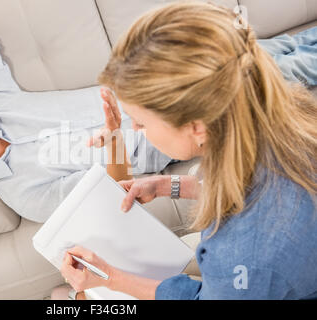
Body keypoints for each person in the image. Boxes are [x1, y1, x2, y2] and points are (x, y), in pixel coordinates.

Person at [59, 2, 317, 300]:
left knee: (72, 301)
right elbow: (251, 190)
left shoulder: (242, 254)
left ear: (198, 127)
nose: (136, 131)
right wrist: (168, 184)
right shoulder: (279, 117)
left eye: (141, 122)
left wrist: (112, 279)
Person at [0, 8, 171, 223]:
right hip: (162, 137)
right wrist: (114, 137)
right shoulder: (26, 196)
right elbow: (113, 191)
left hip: (145, 85)